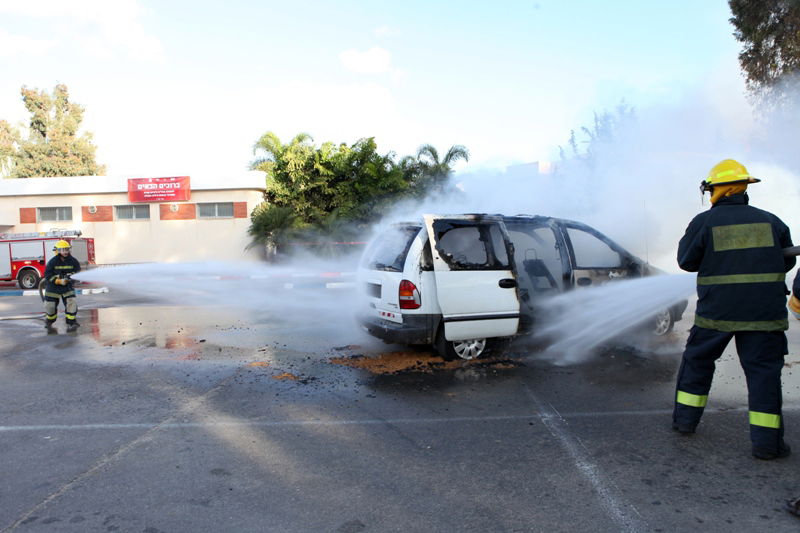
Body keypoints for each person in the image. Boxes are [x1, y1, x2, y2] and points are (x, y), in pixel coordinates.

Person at [672, 159, 796, 461]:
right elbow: (788, 261)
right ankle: (767, 445)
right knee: (763, 375)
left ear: (714, 190)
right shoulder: (771, 221)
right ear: (744, 187)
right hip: (764, 315)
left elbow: (686, 261)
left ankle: (685, 422)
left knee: (698, 363)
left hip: (717, 313)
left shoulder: (705, 222)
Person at [43, 239, 81, 331]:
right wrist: (57, 281)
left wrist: (70, 279)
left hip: (67, 287)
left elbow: (77, 272)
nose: (66, 251)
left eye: (67, 249)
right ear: (58, 251)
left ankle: (71, 322)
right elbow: (47, 275)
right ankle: (50, 320)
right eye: (63, 249)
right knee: (50, 306)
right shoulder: (52, 262)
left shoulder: (73, 261)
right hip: (53, 288)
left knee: (71, 303)